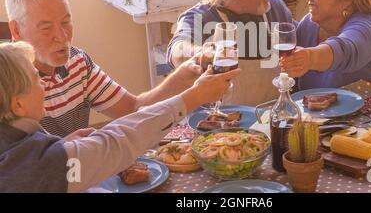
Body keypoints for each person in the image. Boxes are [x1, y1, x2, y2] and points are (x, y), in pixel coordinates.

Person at [0, 41, 239, 192]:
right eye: (35, 78)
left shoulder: (16, 143)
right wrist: (192, 98)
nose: (43, 83)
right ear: (18, 104)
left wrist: (63, 148)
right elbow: (118, 142)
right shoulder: (37, 163)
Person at [4, 0, 205, 137]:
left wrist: (182, 76)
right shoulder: (7, 82)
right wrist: (63, 149)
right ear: (16, 30)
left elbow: (132, 109)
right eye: (46, 28)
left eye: (66, 22)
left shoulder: (78, 62)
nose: (62, 36)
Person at [167, 0, 296, 106]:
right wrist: (202, 53)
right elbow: (178, 50)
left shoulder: (276, 7)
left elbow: (297, 45)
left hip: (274, 119)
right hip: (224, 127)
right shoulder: (200, 17)